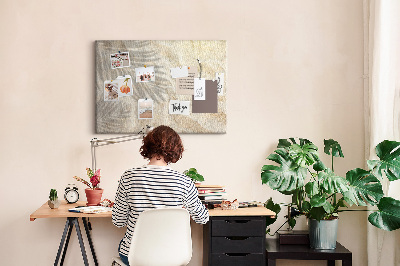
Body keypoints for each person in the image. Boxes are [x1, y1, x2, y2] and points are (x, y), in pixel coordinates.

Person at [112, 125, 209, 265]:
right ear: (175, 149)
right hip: (173, 257)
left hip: (135, 258)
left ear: (148, 146)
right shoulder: (184, 182)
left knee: (126, 245)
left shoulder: (129, 177)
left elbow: (118, 221)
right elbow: (202, 218)